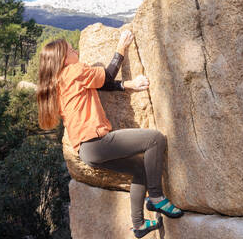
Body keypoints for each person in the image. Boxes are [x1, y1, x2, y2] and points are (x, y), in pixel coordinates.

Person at [36, 30, 184, 238]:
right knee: (155, 139)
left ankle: (139, 224)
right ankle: (157, 197)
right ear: (63, 59)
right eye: (70, 49)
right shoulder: (73, 71)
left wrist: (128, 85)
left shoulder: (59, 82)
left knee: (140, 169)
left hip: (86, 153)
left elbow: (100, 85)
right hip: (97, 142)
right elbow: (106, 76)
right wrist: (121, 47)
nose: (75, 49)